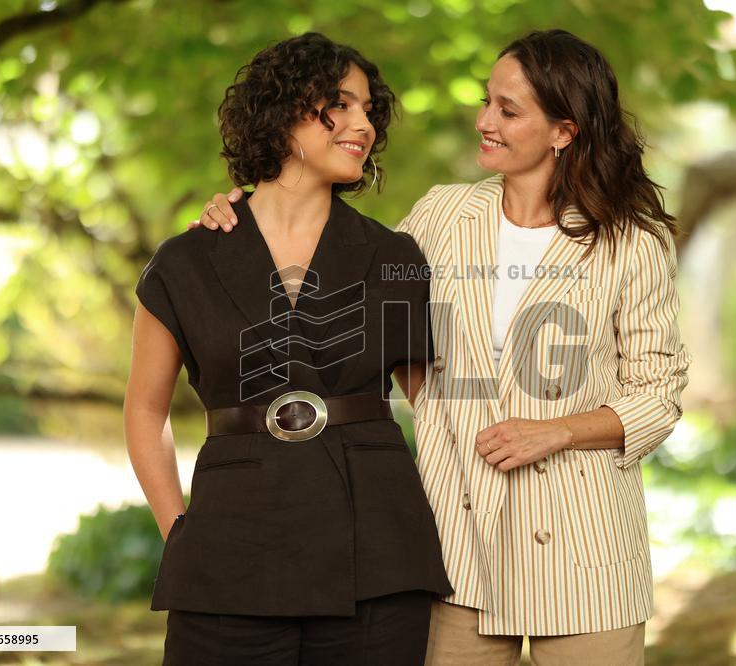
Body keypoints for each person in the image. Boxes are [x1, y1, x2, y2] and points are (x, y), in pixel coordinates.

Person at [194, 29, 690, 666]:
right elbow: (349, 281)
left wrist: (557, 431)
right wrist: (238, 216)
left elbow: (659, 394)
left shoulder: (632, 243)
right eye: (487, 102)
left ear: (564, 131)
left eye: (509, 112)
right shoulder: (441, 216)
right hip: (458, 541)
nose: (485, 121)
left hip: (585, 546)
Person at [124, 32, 452, 666]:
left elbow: (435, 407)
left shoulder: (395, 257)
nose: (364, 125)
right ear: (281, 111)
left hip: (378, 558)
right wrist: (181, 534)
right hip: (227, 555)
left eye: (369, 111)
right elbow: (144, 412)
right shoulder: (185, 262)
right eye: (343, 104)